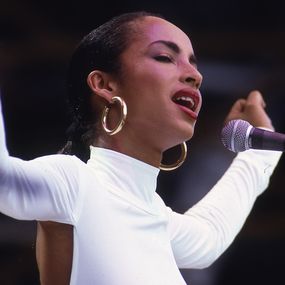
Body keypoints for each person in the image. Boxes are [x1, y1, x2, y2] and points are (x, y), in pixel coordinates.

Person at [0, 11, 282, 285]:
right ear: (104, 84)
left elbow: (211, 234)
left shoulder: (158, 218)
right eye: (164, 57)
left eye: (193, 63)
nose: (195, 75)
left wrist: (261, 145)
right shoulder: (73, 182)